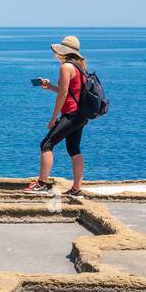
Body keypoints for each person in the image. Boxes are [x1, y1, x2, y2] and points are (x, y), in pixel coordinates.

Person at [25, 35, 89, 195]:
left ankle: (42, 184)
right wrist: (50, 86)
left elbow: (63, 95)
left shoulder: (66, 67)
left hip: (71, 114)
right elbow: (68, 92)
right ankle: (76, 188)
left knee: (46, 144)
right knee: (74, 149)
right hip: (80, 115)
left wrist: (54, 118)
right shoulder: (80, 67)